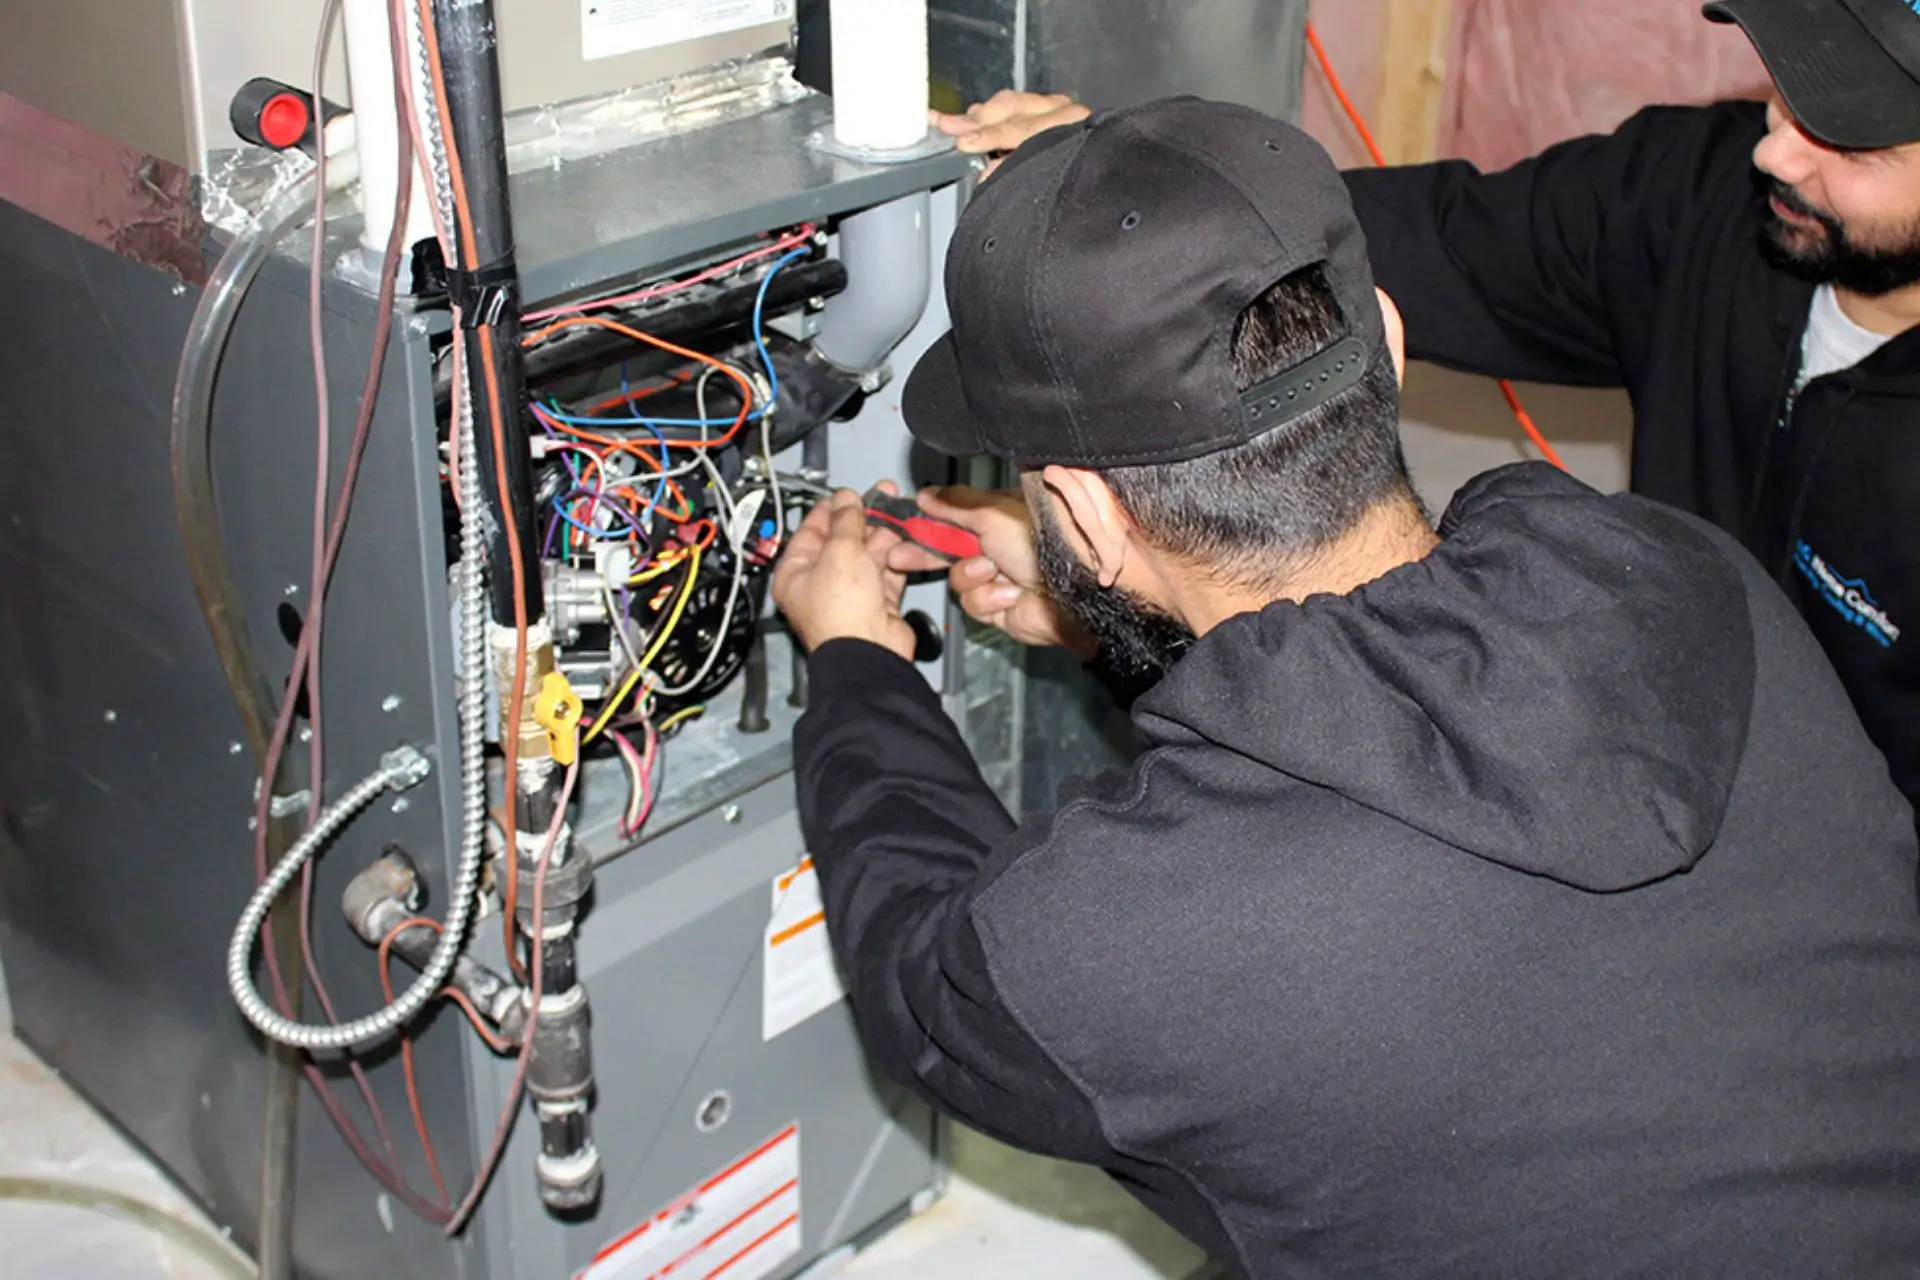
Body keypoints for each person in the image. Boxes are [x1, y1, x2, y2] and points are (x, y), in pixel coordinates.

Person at [770, 98, 1920, 1276]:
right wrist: (1105, 620)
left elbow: (928, 982)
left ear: (1085, 513)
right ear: (1387, 339)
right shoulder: (1688, 576)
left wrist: (858, 661)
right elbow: (1393, 727)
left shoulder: (1126, 936)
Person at [929, 0, 1920, 831]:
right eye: (1787, 90)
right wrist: (1121, 197)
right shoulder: (1697, 199)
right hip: (1645, 777)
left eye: (1849, 134)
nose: (1777, 151)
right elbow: (1411, 240)